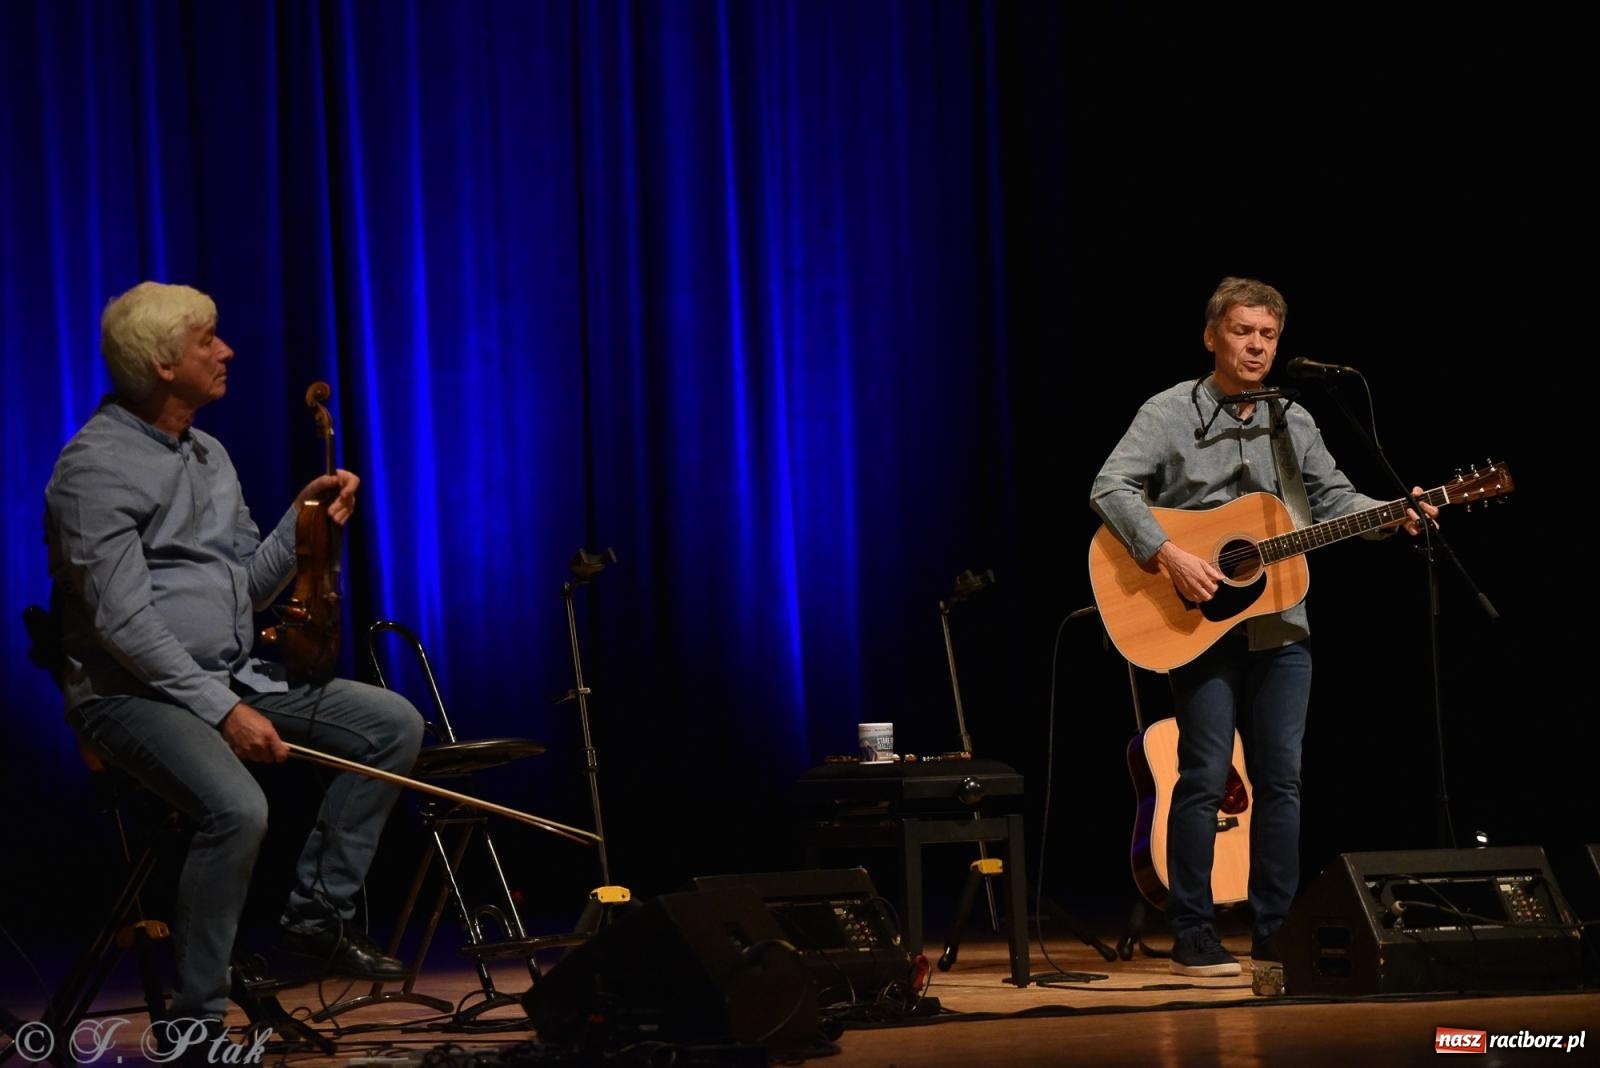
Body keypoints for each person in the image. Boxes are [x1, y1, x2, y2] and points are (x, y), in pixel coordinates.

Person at [44, 281, 426, 1025]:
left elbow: (246, 586)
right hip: (129, 696)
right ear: (163, 365)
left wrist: (308, 518)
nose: (226, 351)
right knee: (237, 808)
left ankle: (315, 921)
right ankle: (199, 1018)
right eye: (207, 341)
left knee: (391, 724)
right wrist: (222, 712)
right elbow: (123, 626)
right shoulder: (93, 470)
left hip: (228, 676)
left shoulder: (209, 453)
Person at [1088, 276, 1436, 978]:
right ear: (1211, 335)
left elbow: (1334, 498)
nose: (1256, 346)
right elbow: (1109, 487)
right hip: (1195, 622)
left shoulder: (1292, 420)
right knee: (1203, 777)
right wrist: (1169, 554)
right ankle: (1193, 931)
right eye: (1243, 331)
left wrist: (1390, 513)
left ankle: (1277, 931)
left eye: (1268, 335)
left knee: (1283, 781)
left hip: (1281, 624)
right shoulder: (1167, 412)